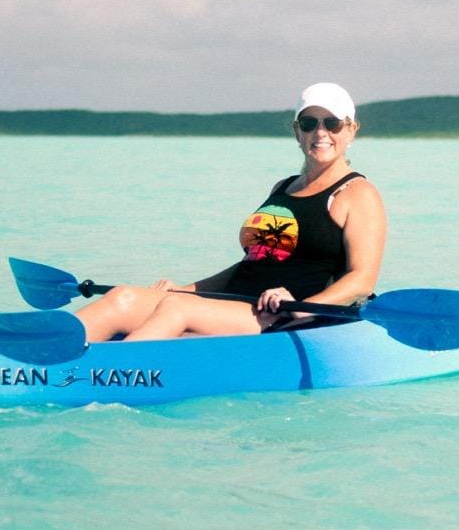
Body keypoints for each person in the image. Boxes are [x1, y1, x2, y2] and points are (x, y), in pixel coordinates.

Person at [76, 82, 386, 343]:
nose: (320, 133)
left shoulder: (358, 194)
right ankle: (37, 360)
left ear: (351, 130)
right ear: (297, 131)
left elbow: (362, 280)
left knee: (177, 309)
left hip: (277, 317)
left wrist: (305, 306)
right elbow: (250, 265)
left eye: (332, 123)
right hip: (233, 303)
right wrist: (187, 289)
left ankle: (108, 375)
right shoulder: (283, 187)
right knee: (123, 297)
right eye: (309, 123)